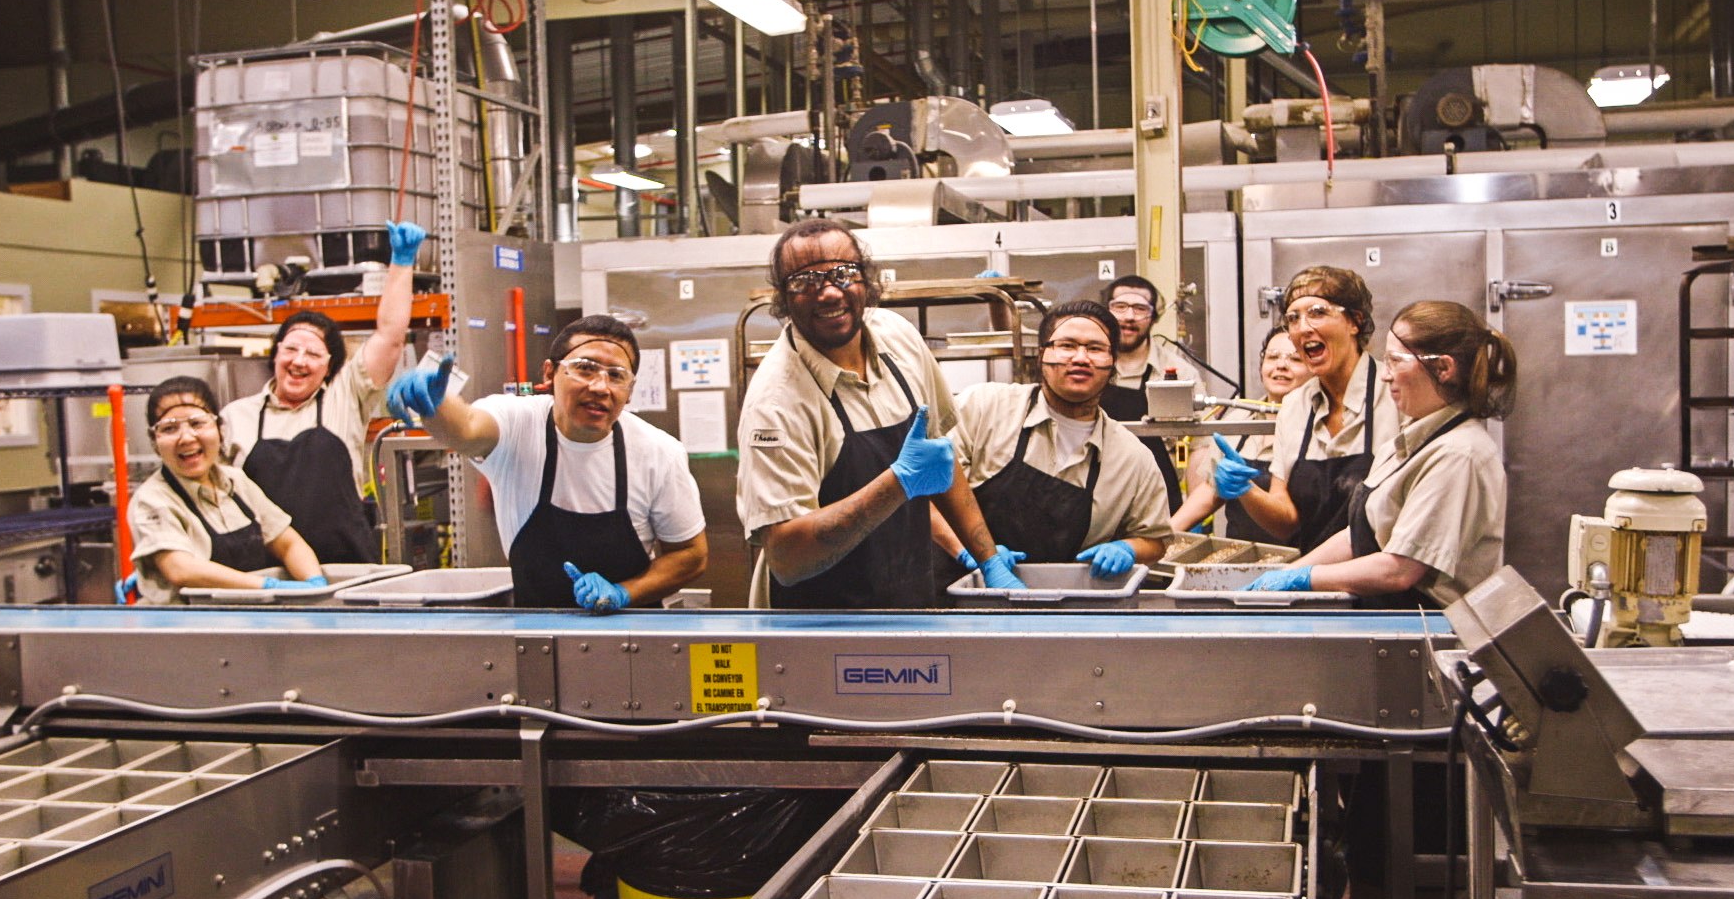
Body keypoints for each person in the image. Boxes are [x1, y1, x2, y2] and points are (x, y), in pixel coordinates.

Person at [736, 218, 1016, 608]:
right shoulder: (777, 402)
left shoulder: (896, 336)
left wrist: (986, 558)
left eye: (843, 273)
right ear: (783, 299)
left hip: (909, 599)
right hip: (817, 624)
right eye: (805, 281)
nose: (830, 292)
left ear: (866, 280)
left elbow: (939, 459)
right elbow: (786, 557)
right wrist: (897, 484)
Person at [386, 315, 707, 612]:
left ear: (630, 391)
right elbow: (467, 429)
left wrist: (624, 592)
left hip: (634, 639)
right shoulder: (517, 424)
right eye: (585, 368)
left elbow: (690, 554)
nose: (599, 386)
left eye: (616, 375)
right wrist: (435, 406)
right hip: (533, 637)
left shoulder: (658, 452)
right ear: (550, 374)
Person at [1244, 301, 1515, 607]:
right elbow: (1358, 536)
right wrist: (1289, 572)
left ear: (1443, 368)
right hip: (1384, 612)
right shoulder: (1409, 441)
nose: (1386, 376)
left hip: (1426, 624)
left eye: (1396, 361)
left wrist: (1305, 579)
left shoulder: (1459, 454)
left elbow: (1399, 570)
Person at [219, 220, 427, 564]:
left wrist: (402, 262)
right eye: (290, 349)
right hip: (263, 576)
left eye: (314, 354)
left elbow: (390, 335)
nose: (299, 361)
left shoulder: (345, 397)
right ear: (276, 354)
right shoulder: (235, 416)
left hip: (346, 570)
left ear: (329, 368)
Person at [939, 300, 1172, 576]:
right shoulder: (983, 408)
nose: (1081, 358)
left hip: (1063, 607)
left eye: (1096, 349)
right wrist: (971, 552)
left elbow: (1155, 540)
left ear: (1113, 364)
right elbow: (927, 490)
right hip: (961, 596)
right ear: (1041, 355)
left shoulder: (1134, 458)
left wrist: (1128, 548)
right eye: (1067, 345)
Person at [1210, 266, 1399, 552]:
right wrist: (1246, 491)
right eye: (1293, 318)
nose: (1302, 328)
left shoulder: (1397, 394)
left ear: (1355, 322)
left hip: (1384, 580)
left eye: (1318, 312)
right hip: (1315, 581)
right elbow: (1286, 523)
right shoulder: (1295, 406)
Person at [126, 376, 325, 604]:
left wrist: (314, 586)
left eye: (197, 423)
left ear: (220, 429)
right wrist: (270, 587)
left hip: (248, 621)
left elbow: (287, 542)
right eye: (169, 428)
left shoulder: (236, 481)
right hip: (188, 628)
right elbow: (180, 569)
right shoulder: (152, 499)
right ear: (154, 442)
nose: (186, 437)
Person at [1171, 325, 1311, 537]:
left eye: (1295, 359)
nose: (1281, 366)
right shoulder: (1239, 420)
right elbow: (1211, 488)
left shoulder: (1320, 425)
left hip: (1306, 556)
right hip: (1244, 554)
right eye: (1273, 357)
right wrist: (1161, 535)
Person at [1096, 274, 1197, 508]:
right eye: (1120, 307)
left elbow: (1196, 447)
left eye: (1140, 308)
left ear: (1153, 317)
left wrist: (1191, 513)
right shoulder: (1088, 366)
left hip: (1160, 502)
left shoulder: (1181, 373)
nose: (1129, 316)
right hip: (1096, 499)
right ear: (1106, 312)